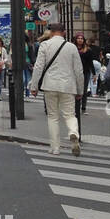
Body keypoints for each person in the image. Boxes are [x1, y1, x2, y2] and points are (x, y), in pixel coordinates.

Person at [30, 21, 84, 157]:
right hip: (68, 86)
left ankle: (55, 148)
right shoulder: (71, 47)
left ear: (51, 32)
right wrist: (80, 90)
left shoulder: (45, 45)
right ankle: (73, 132)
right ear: (64, 32)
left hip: (50, 85)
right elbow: (79, 71)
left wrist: (34, 86)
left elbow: (38, 67)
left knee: (52, 117)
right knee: (70, 115)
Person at [75, 35, 96, 115]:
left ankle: (83, 108)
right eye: (78, 38)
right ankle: (75, 107)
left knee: (83, 90)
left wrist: (94, 74)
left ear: (84, 40)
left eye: (81, 39)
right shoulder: (73, 49)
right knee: (75, 90)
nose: (80, 40)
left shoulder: (87, 50)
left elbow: (91, 62)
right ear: (76, 40)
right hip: (75, 72)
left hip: (85, 72)